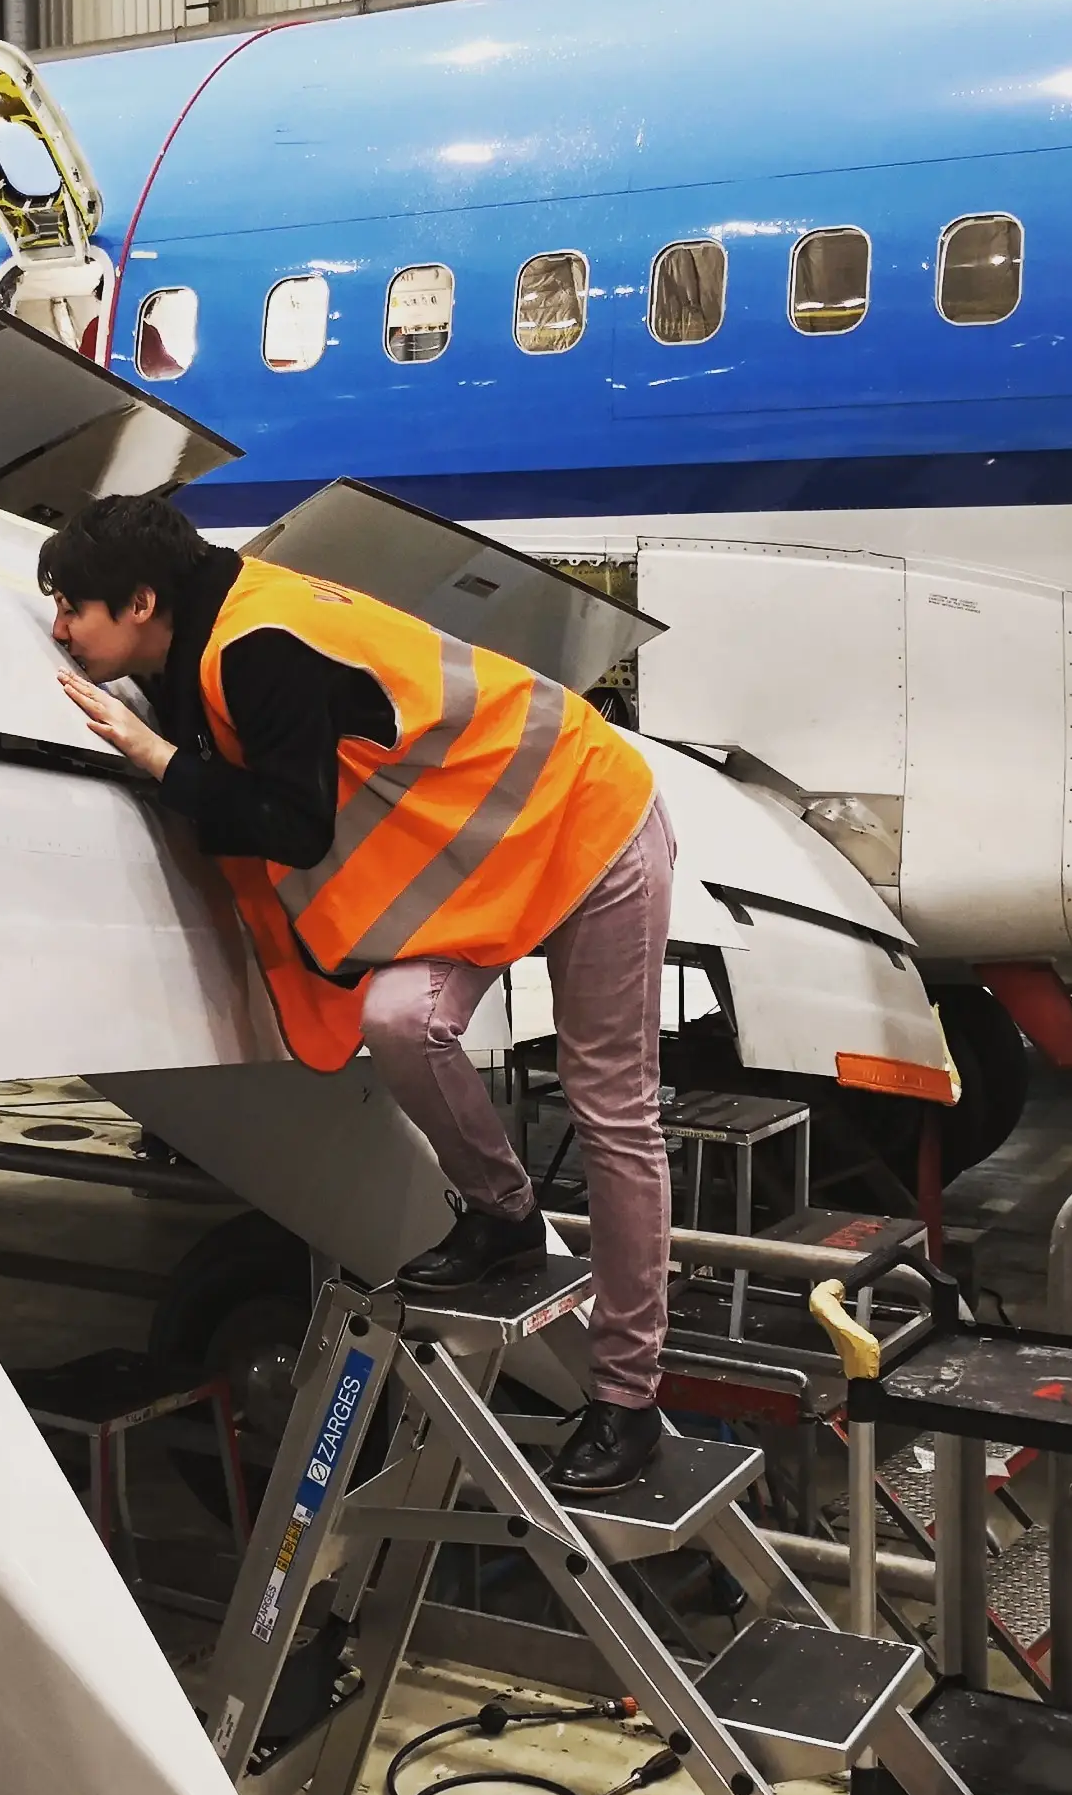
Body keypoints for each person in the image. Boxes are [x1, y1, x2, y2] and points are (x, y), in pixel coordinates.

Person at [40, 493, 676, 1497]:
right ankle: (504, 1215)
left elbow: (289, 828)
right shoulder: (205, 639)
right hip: (486, 859)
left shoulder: (258, 648)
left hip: (590, 828)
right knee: (400, 1021)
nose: (61, 630)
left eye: (74, 606)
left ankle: (628, 1400)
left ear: (144, 600)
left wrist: (156, 760)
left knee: (613, 1116)